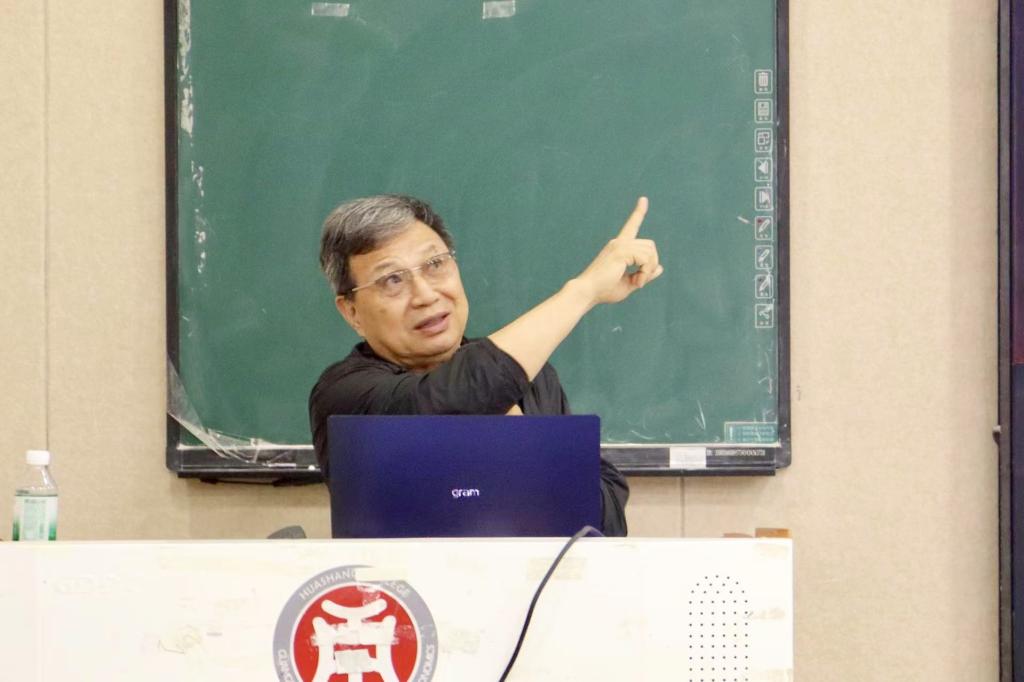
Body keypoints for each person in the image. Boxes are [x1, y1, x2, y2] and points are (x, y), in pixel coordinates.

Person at [309, 194, 662, 536]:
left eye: (435, 264)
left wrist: (527, 447)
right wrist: (583, 291)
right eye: (392, 280)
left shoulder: (533, 375)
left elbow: (603, 523)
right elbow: (455, 397)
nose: (426, 295)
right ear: (351, 312)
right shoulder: (344, 395)